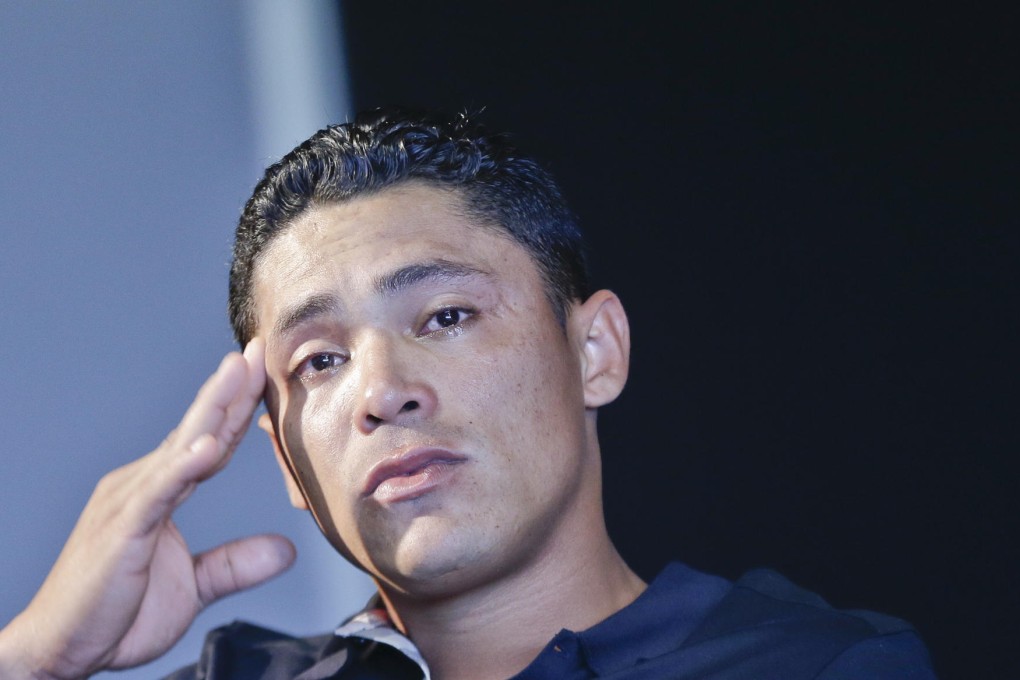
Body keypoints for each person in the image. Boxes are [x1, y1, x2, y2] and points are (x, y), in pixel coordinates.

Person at [0, 107, 936, 679]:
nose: (382, 392)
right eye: (319, 361)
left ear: (595, 350)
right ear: (285, 456)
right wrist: (39, 660)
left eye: (445, 317)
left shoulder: (811, 668)